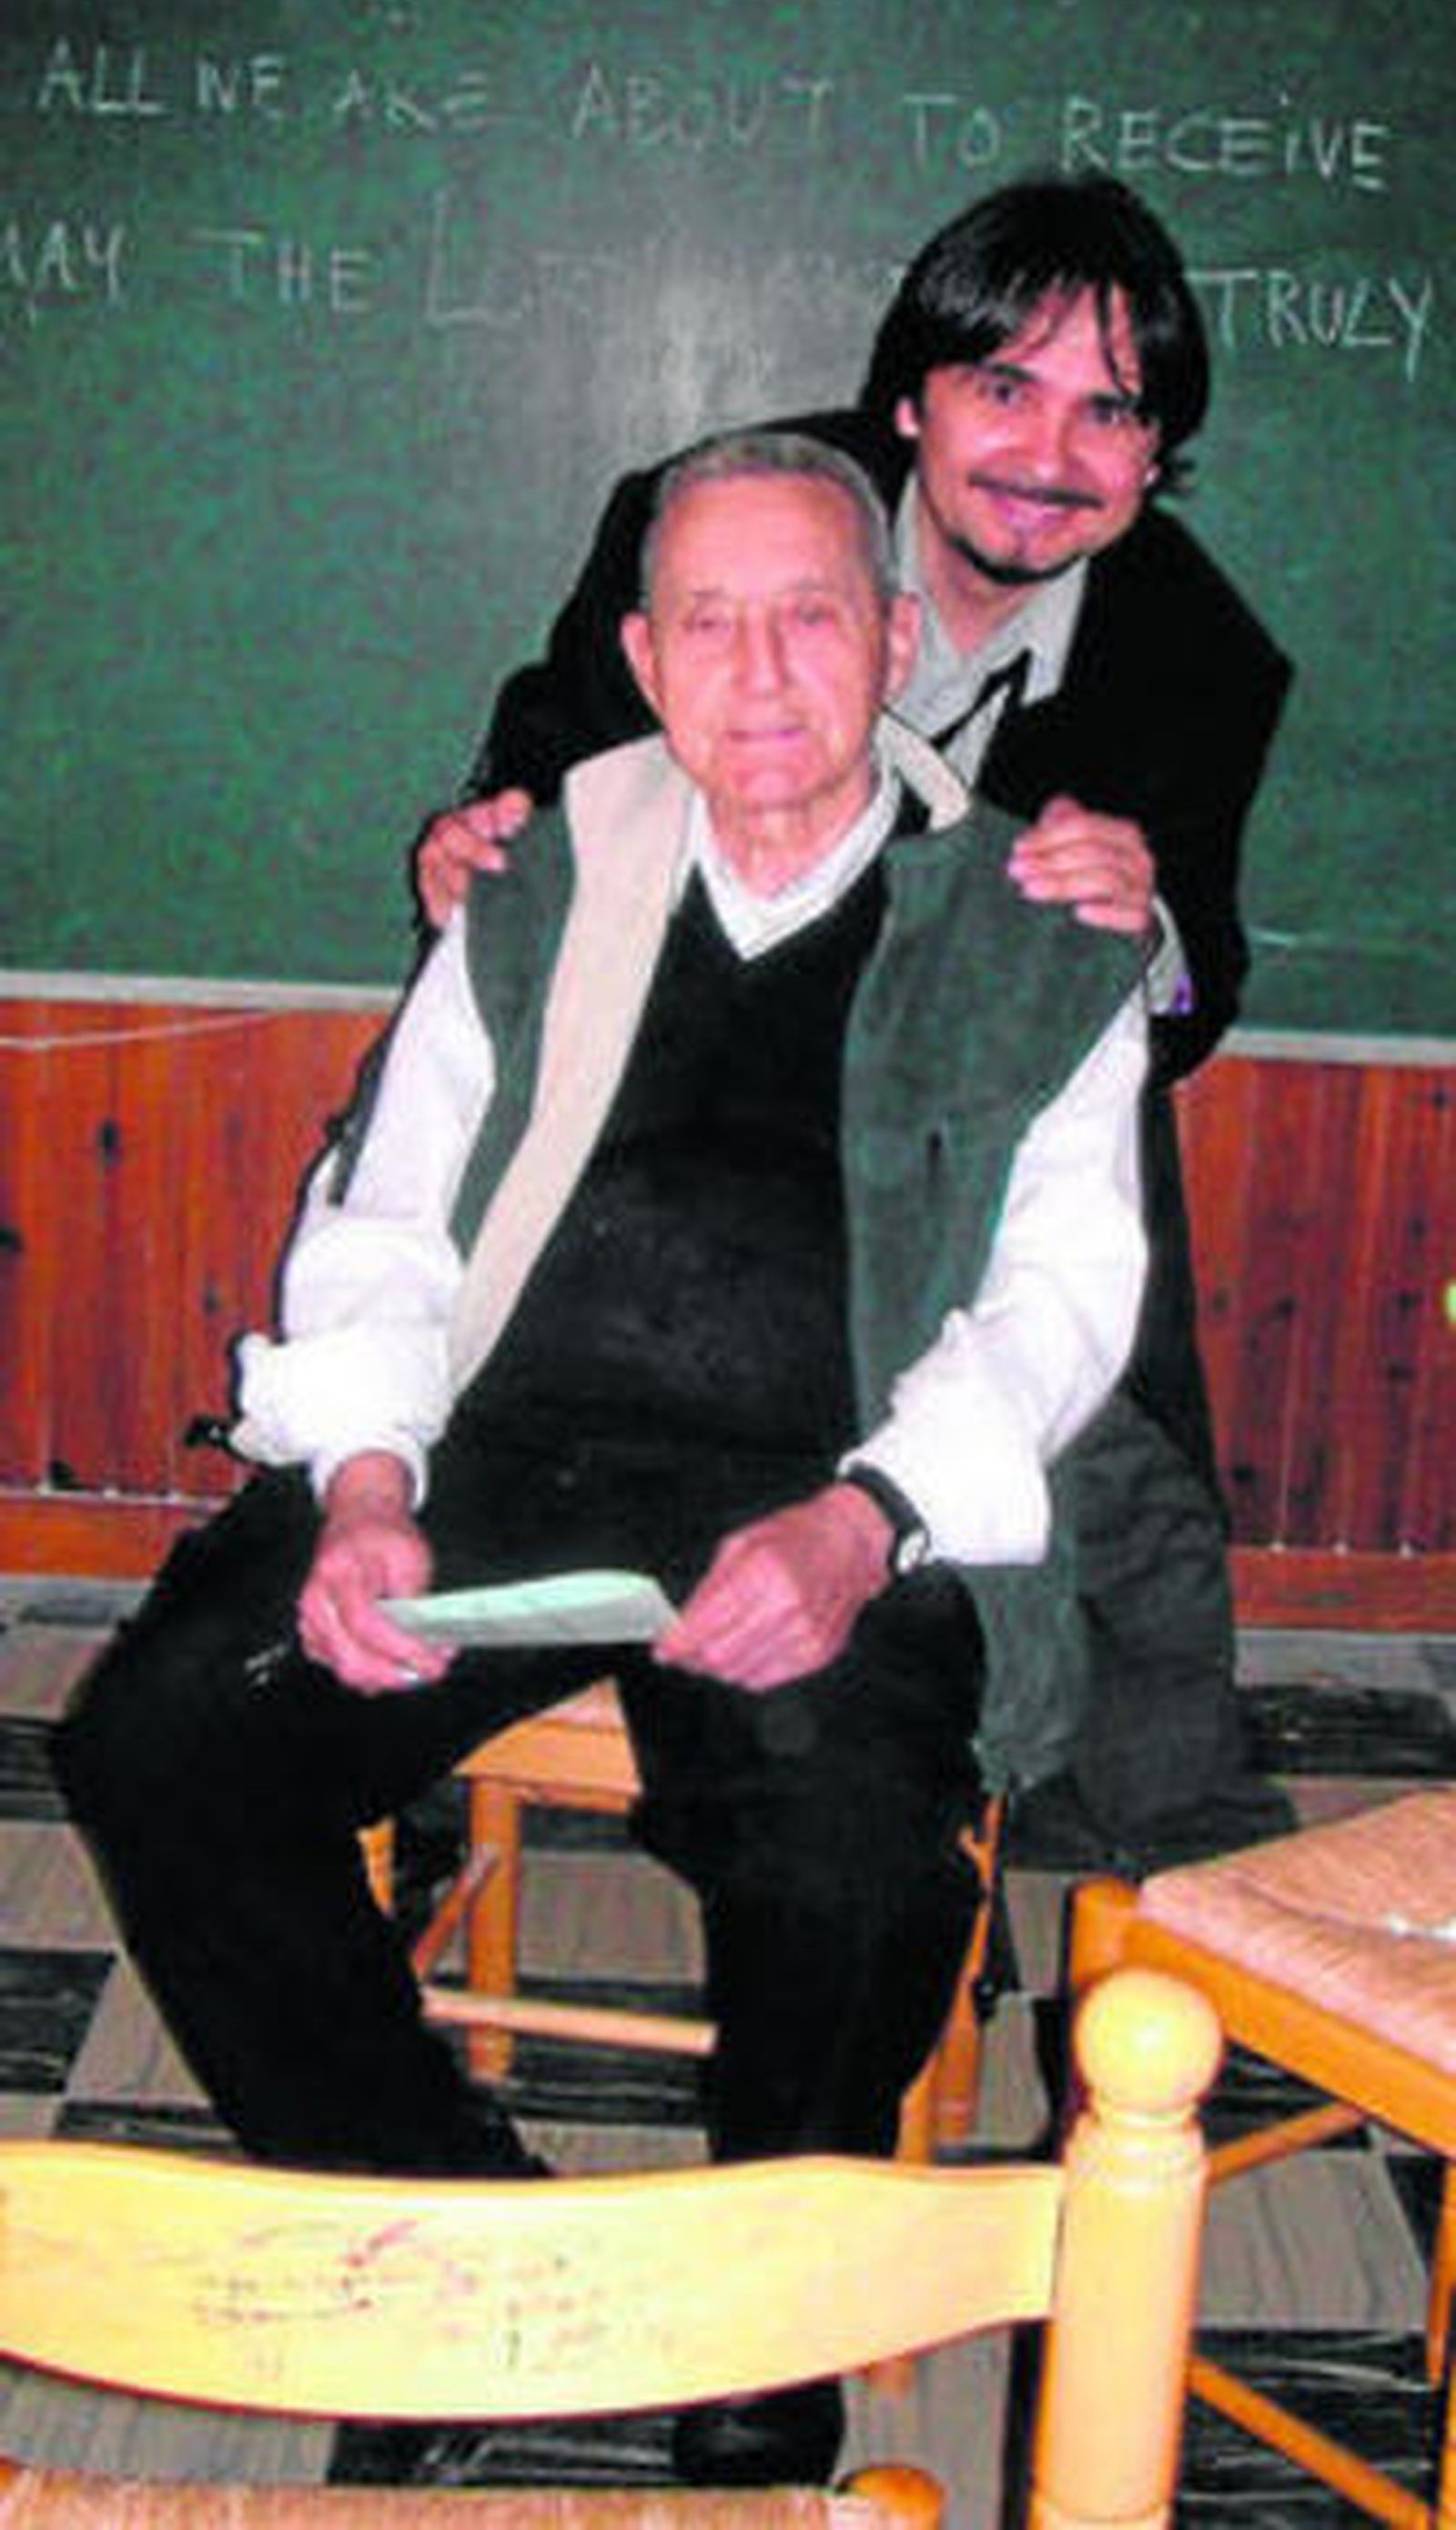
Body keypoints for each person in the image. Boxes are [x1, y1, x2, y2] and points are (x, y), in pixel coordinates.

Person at [57, 433, 1149, 2489]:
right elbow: (390, 1211)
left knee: (848, 1857)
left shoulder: (1028, 921)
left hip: (838, 1481)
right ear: (642, 661)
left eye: (810, 616)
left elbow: (1062, 1299)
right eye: (708, 625)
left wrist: (866, 1522)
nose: (762, 674)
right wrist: (363, 1484)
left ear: (892, 638)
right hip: (511, 1449)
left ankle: (756, 2344)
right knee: (163, 1740)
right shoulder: (535, 878)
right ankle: (454, 2241)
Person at [415, 171, 1295, 1872]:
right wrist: (480, 837)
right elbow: (547, 764)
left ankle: (1139, 1821)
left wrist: (1148, 930)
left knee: (1110, 1393)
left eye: (1110, 412)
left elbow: (1200, 984)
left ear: (1153, 454)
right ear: (913, 399)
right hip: (670, 1101)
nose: (1048, 453)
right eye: (1004, 388)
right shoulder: (721, 514)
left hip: (945, 1145)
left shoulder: (1201, 657)